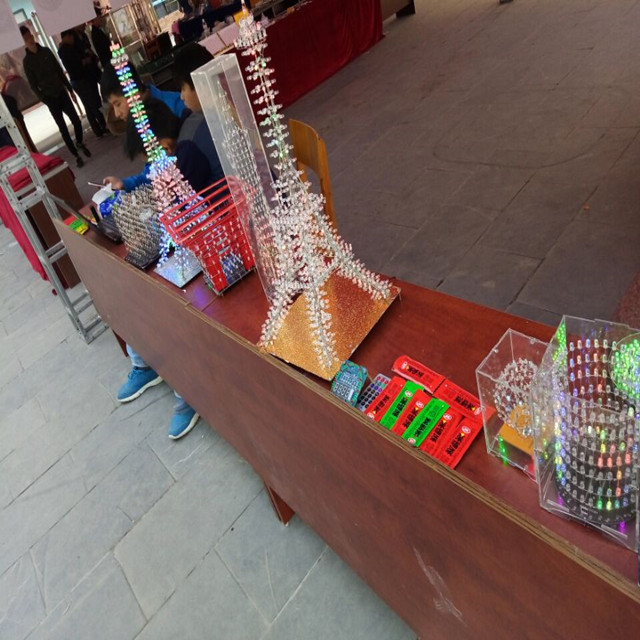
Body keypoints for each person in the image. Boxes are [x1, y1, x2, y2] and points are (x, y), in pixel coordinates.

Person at [100, 67, 185, 191]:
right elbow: (152, 171)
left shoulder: (178, 107)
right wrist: (124, 184)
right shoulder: (140, 123)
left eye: (118, 104)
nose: (117, 114)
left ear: (133, 93)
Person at [20, 25, 90, 167]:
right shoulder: (27, 62)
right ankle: (76, 155)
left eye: (30, 36)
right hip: (50, 98)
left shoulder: (46, 51)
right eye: (26, 39)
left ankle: (79, 142)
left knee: (76, 120)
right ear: (24, 42)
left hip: (61, 92)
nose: (30, 40)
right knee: (63, 128)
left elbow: (59, 71)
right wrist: (44, 98)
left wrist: (70, 89)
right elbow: (33, 85)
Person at [172, 43, 224, 184]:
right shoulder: (232, 110)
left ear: (199, 84)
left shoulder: (191, 136)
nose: (182, 96)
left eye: (183, 88)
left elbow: (187, 190)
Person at [58, 28, 107, 138]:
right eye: (72, 37)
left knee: (88, 106)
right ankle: (103, 126)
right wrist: (84, 61)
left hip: (78, 80)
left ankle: (98, 130)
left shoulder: (65, 49)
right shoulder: (66, 50)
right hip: (80, 80)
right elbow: (75, 65)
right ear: (68, 37)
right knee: (93, 103)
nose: (73, 40)